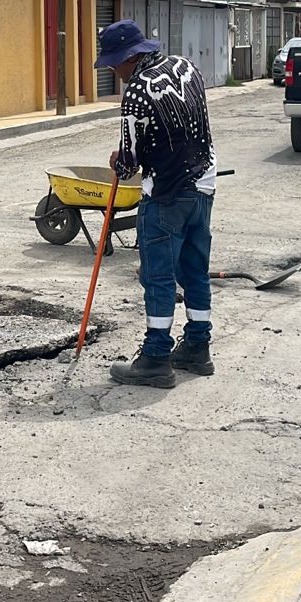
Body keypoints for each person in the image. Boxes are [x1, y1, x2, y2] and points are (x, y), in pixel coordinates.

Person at [97, 20, 217, 388]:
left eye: (114, 63)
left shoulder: (136, 92)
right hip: (205, 185)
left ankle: (155, 357)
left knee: (158, 277)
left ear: (130, 58)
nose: (113, 71)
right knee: (194, 271)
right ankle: (198, 347)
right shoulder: (186, 66)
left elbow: (129, 163)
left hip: (166, 193)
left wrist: (118, 158)